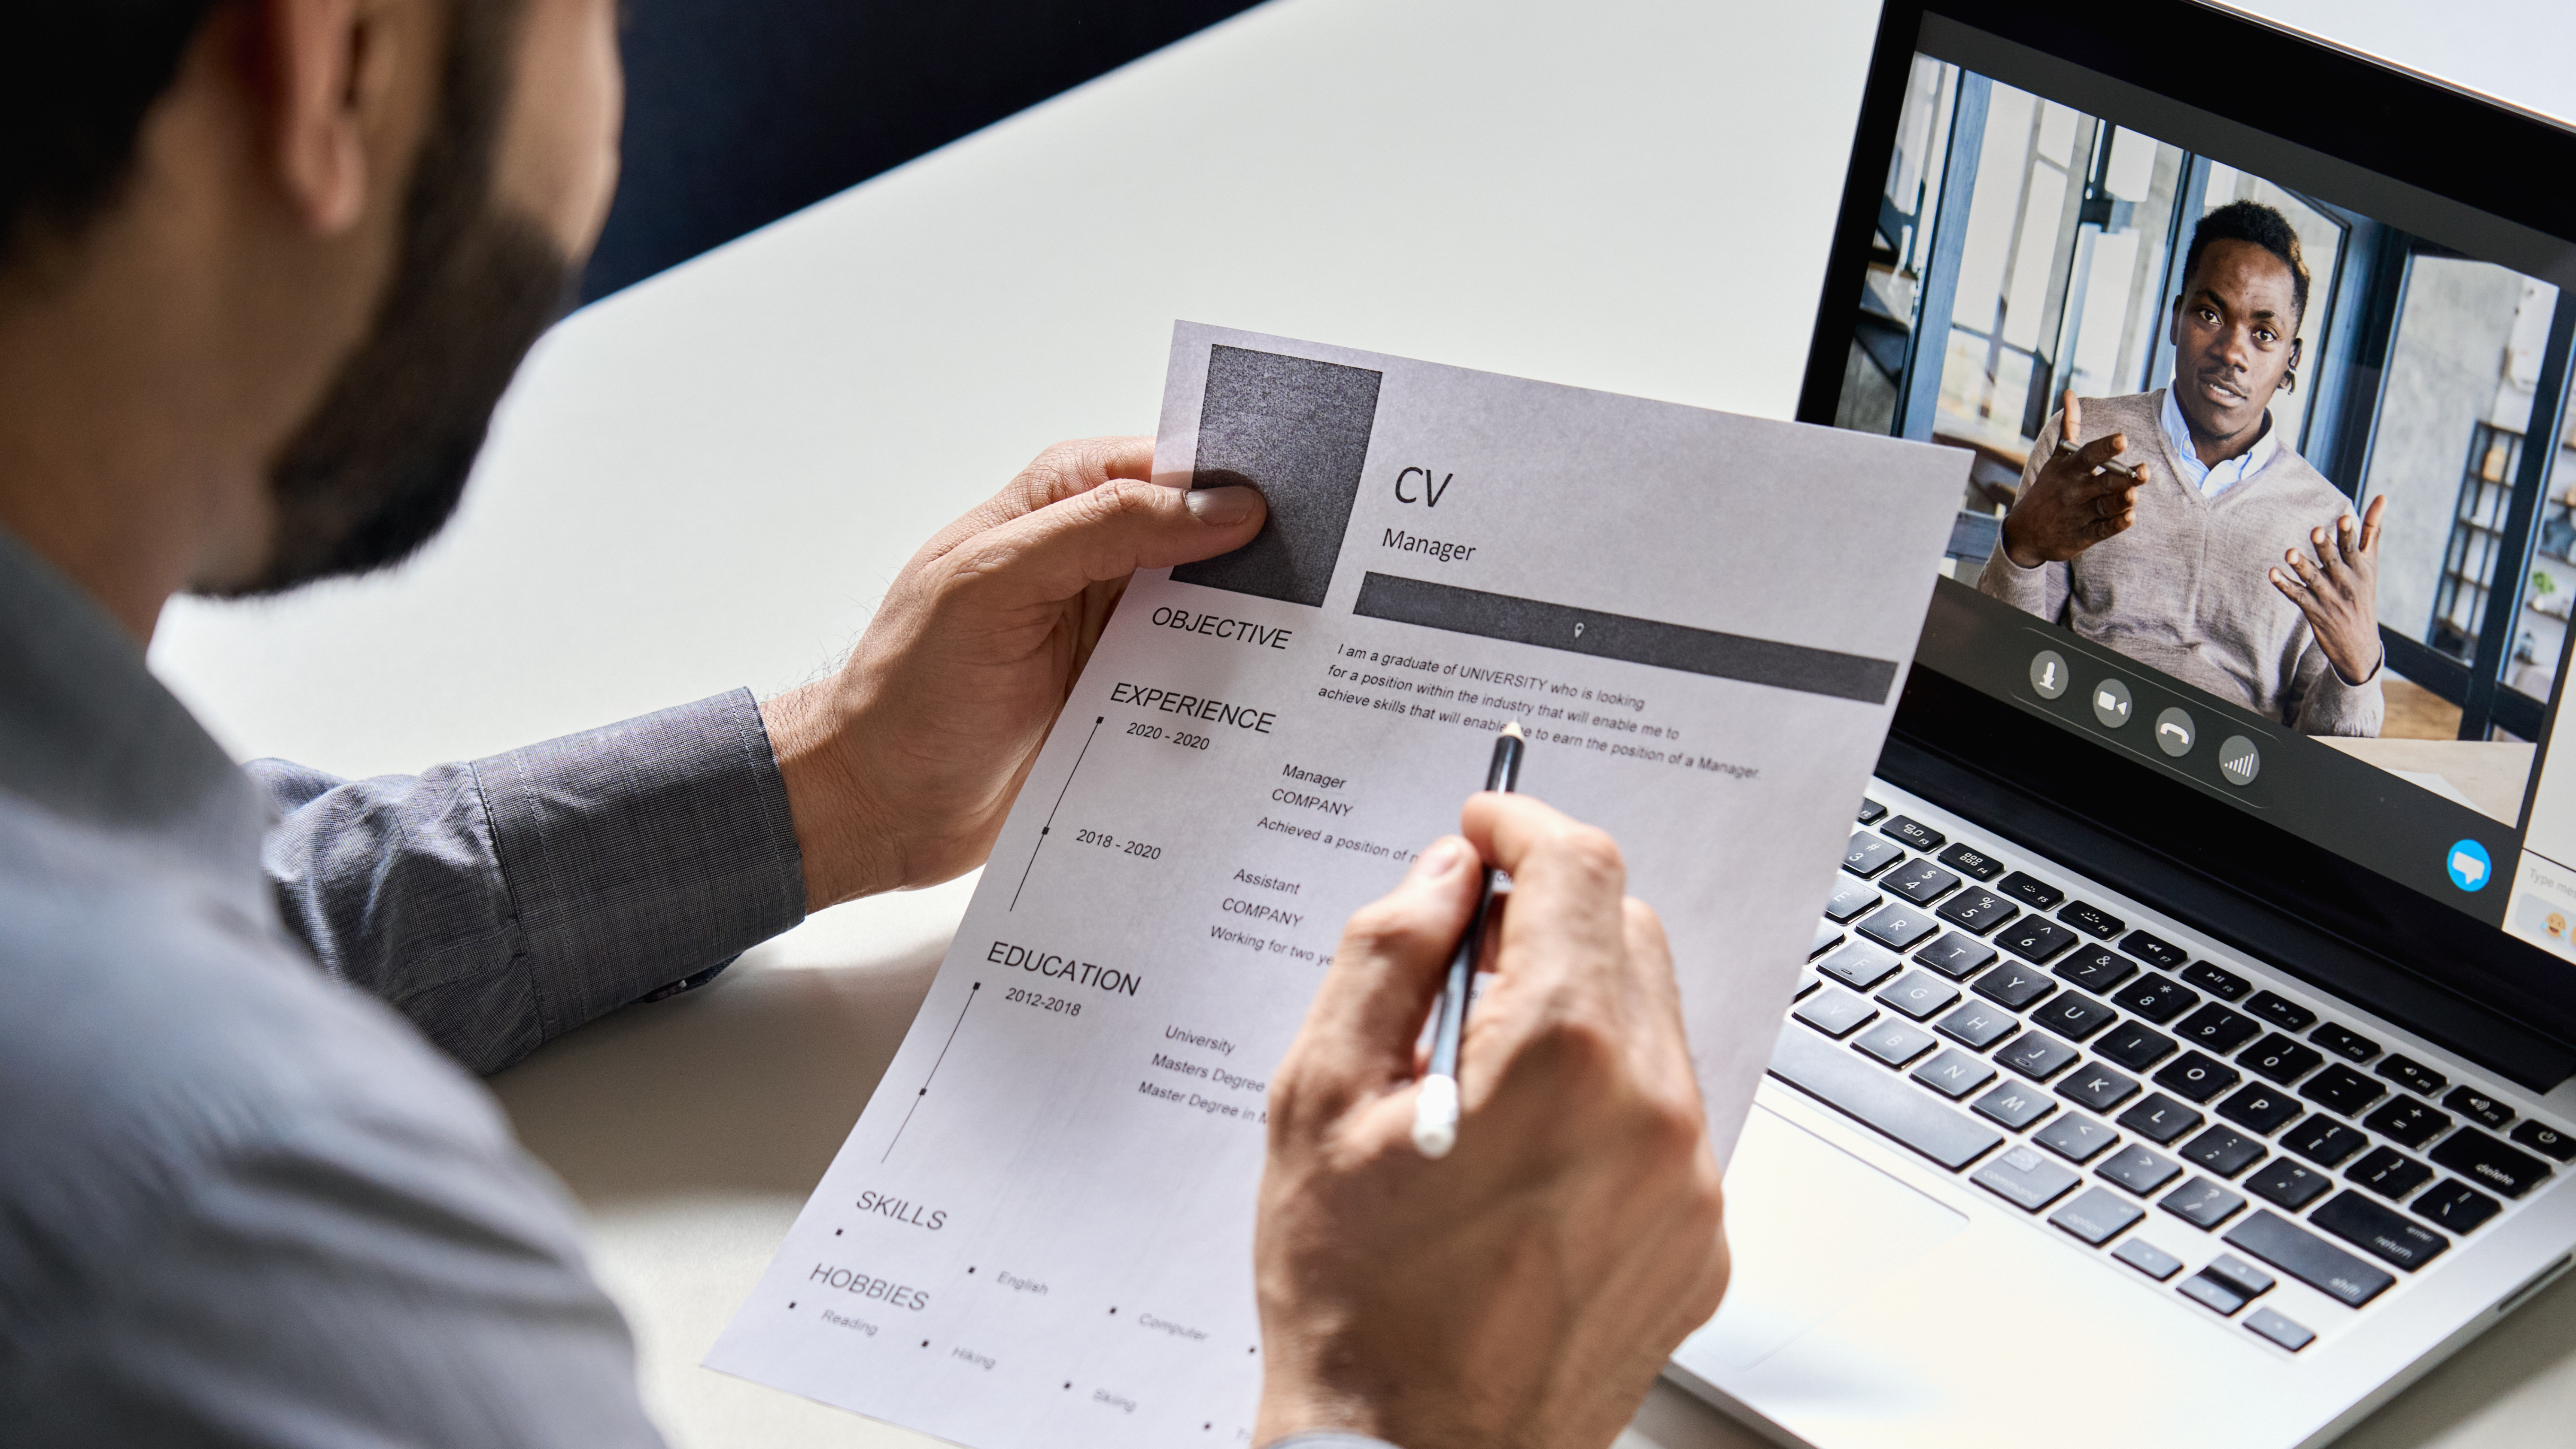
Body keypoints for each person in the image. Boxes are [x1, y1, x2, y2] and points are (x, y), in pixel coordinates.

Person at [0, 4, 1726, 1447]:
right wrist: (1391, 1403)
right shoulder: (232, 1258)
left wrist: (834, 784)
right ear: (330, 67)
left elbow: (246, 904)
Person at [1979, 200, 2387, 737]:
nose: (2232, 352)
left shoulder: (2327, 523)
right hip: (2073, 738)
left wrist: (2358, 670)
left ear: (2291, 360)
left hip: (2230, 786)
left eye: (2264, 335)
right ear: (2176, 318)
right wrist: (2023, 548)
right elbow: (2002, 655)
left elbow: (2323, 763)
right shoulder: (2082, 444)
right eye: (2210, 315)